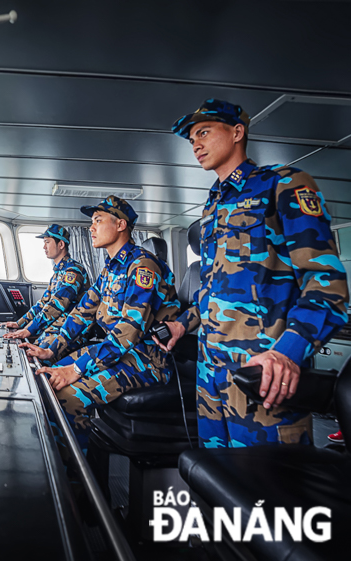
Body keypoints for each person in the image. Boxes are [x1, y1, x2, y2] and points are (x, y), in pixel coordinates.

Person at [157, 99, 349, 447]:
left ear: (237, 132)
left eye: (203, 132)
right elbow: (214, 289)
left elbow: (327, 287)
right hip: (210, 376)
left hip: (262, 376)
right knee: (214, 482)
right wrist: (181, 324)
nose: (195, 144)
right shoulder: (213, 204)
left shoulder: (284, 184)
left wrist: (286, 353)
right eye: (191, 139)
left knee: (267, 490)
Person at [21, 196, 180, 449]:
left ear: (120, 225)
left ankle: (77, 482)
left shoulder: (143, 266)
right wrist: (52, 349)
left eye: (97, 220)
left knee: (65, 397)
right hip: (117, 351)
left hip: (147, 359)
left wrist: (77, 369)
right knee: (46, 379)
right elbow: (82, 312)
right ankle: (57, 460)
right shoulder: (110, 269)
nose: (91, 227)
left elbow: (128, 331)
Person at [3, 224, 89, 342]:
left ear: (61, 244)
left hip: (74, 325)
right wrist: (19, 323)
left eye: (47, 242)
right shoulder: (58, 273)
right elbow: (44, 302)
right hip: (60, 320)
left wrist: (28, 330)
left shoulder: (72, 271)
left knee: (38, 350)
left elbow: (57, 305)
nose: (44, 247)